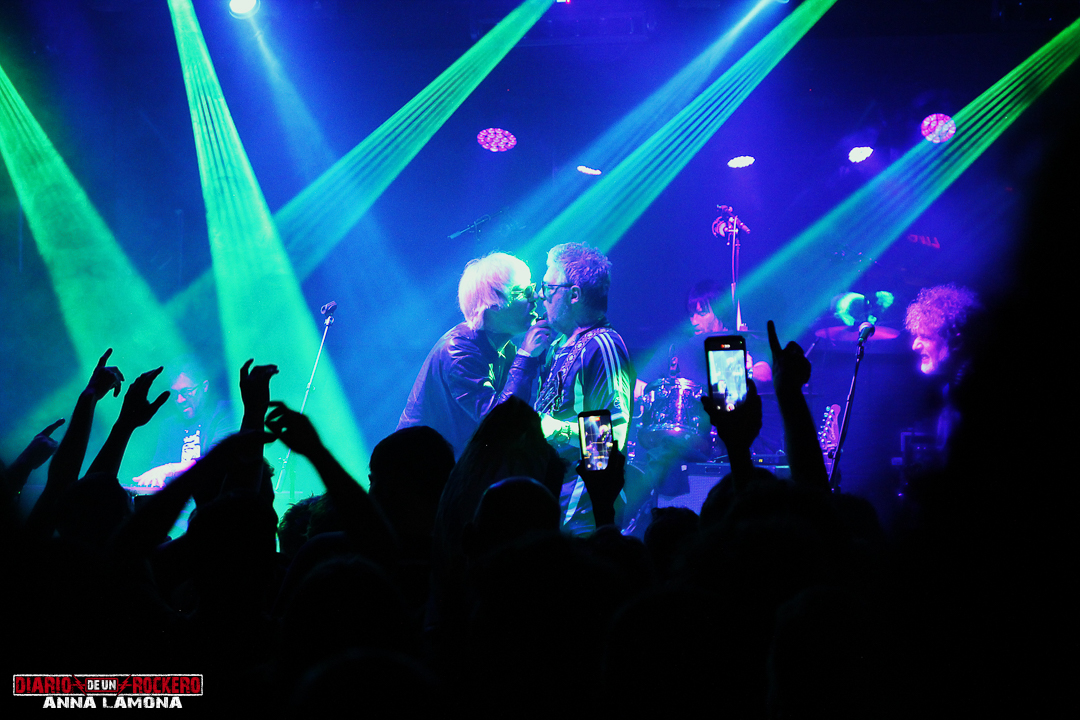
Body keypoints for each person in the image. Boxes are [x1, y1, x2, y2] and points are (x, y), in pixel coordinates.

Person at [398, 252, 554, 456]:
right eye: (524, 292)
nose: (535, 298)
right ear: (493, 304)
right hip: (416, 466)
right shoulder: (459, 352)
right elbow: (500, 424)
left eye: (532, 289)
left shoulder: (505, 349)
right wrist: (526, 357)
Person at [535, 242, 633, 532]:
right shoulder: (556, 346)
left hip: (582, 515)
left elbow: (613, 437)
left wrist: (557, 430)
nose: (541, 295)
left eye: (548, 287)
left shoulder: (603, 345)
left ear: (574, 295)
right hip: (553, 505)